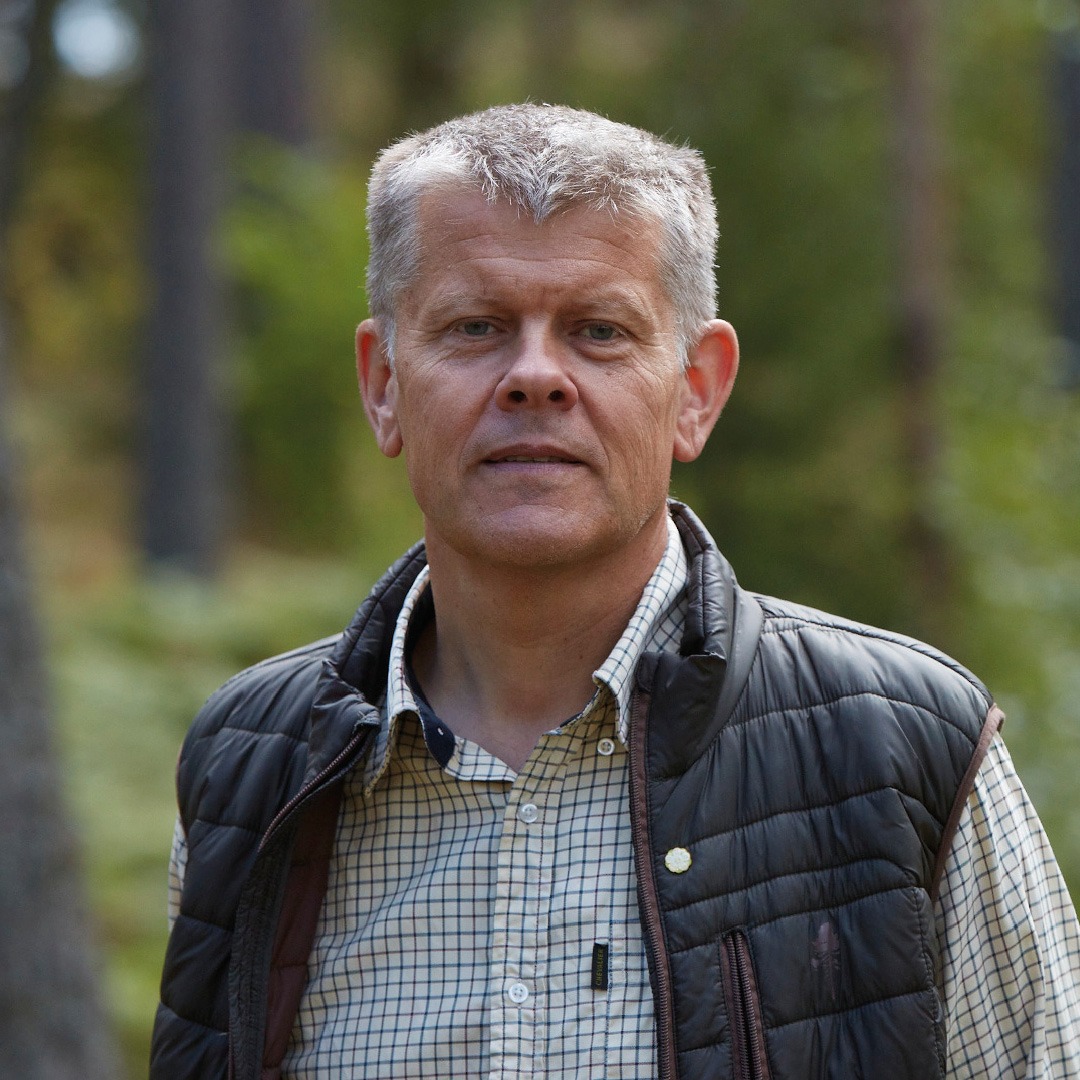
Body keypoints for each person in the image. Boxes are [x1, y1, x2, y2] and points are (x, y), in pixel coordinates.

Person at [151, 104, 1080, 1080]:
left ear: (697, 390)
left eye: (598, 331)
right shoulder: (248, 774)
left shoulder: (908, 751)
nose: (535, 377)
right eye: (476, 327)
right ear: (383, 382)